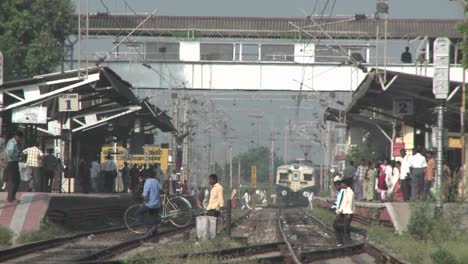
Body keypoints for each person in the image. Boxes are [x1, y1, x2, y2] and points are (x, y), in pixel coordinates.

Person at [136, 168, 162, 240]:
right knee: (153, 220)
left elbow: (145, 195)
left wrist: (142, 198)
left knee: (138, 213)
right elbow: (161, 189)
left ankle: (149, 226)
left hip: (150, 205)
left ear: (144, 176)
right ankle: (155, 239)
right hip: (157, 204)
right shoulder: (156, 181)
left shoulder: (147, 182)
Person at [333, 178, 355, 246]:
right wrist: (338, 211)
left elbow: (350, 203)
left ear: (345, 184)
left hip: (347, 213)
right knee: (344, 228)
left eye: (342, 183)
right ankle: (344, 242)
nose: (341, 184)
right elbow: (343, 203)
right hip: (344, 212)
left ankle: (346, 242)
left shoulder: (349, 192)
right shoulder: (346, 191)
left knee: (345, 228)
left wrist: (349, 213)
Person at [6, 131, 24, 202]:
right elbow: (10, 153)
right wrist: (19, 154)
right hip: (11, 163)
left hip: (14, 162)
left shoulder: (14, 143)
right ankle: (10, 198)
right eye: (21, 138)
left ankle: (12, 197)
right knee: (13, 180)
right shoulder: (12, 143)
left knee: (17, 180)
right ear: (18, 137)